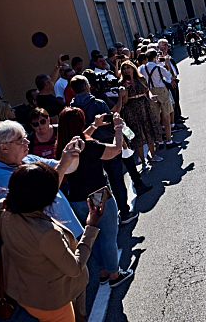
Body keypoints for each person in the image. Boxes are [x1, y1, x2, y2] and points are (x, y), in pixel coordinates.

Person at [0, 162, 102, 322]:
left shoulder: (5, 211)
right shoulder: (47, 233)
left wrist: (1, 208)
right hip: (54, 300)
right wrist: (90, 227)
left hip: (28, 291)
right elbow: (74, 269)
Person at [55, 108, 134, 289]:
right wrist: (119, 128)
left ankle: (103, 272)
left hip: (76, 198)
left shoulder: (64, 147)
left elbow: (80, 136)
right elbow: (114, 150)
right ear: (80, 123)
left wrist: (94, 126)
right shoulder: (89, 146)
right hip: (98, 194)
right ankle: (115, 274)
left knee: (93, 236)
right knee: (108, 236)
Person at [0, 120, 84, 237]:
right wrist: (63, 164)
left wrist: (74, 154)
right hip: (47, 238)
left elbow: (68, 168)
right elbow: (42, 196)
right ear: (4, 148)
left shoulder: (28, 159)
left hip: (68, 229)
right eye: (20, 140)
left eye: (25, 137)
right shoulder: (0, 177)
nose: (27, 142)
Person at [69, 76, 140, 224]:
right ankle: (124, 212)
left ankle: (103, 217)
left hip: (86, 150)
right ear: (87, 86)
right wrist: (119, 134)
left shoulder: (71, 109)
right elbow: (110, 124)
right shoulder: (98, 103)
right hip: (106, 145)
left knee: (98, 184)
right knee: (116, 180)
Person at [118, 60, 162, 171]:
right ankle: (143, 161)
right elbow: (124, 101)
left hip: (144, 106)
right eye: (124, 68)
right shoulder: (122, 83)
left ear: (133, 68)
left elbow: (147, 90)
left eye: (128, 67)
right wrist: (126, 89)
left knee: (149, 130)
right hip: (131, 109)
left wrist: (151, 96)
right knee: (137, 134)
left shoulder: (141, 78)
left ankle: (153, 154)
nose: (126, 70)